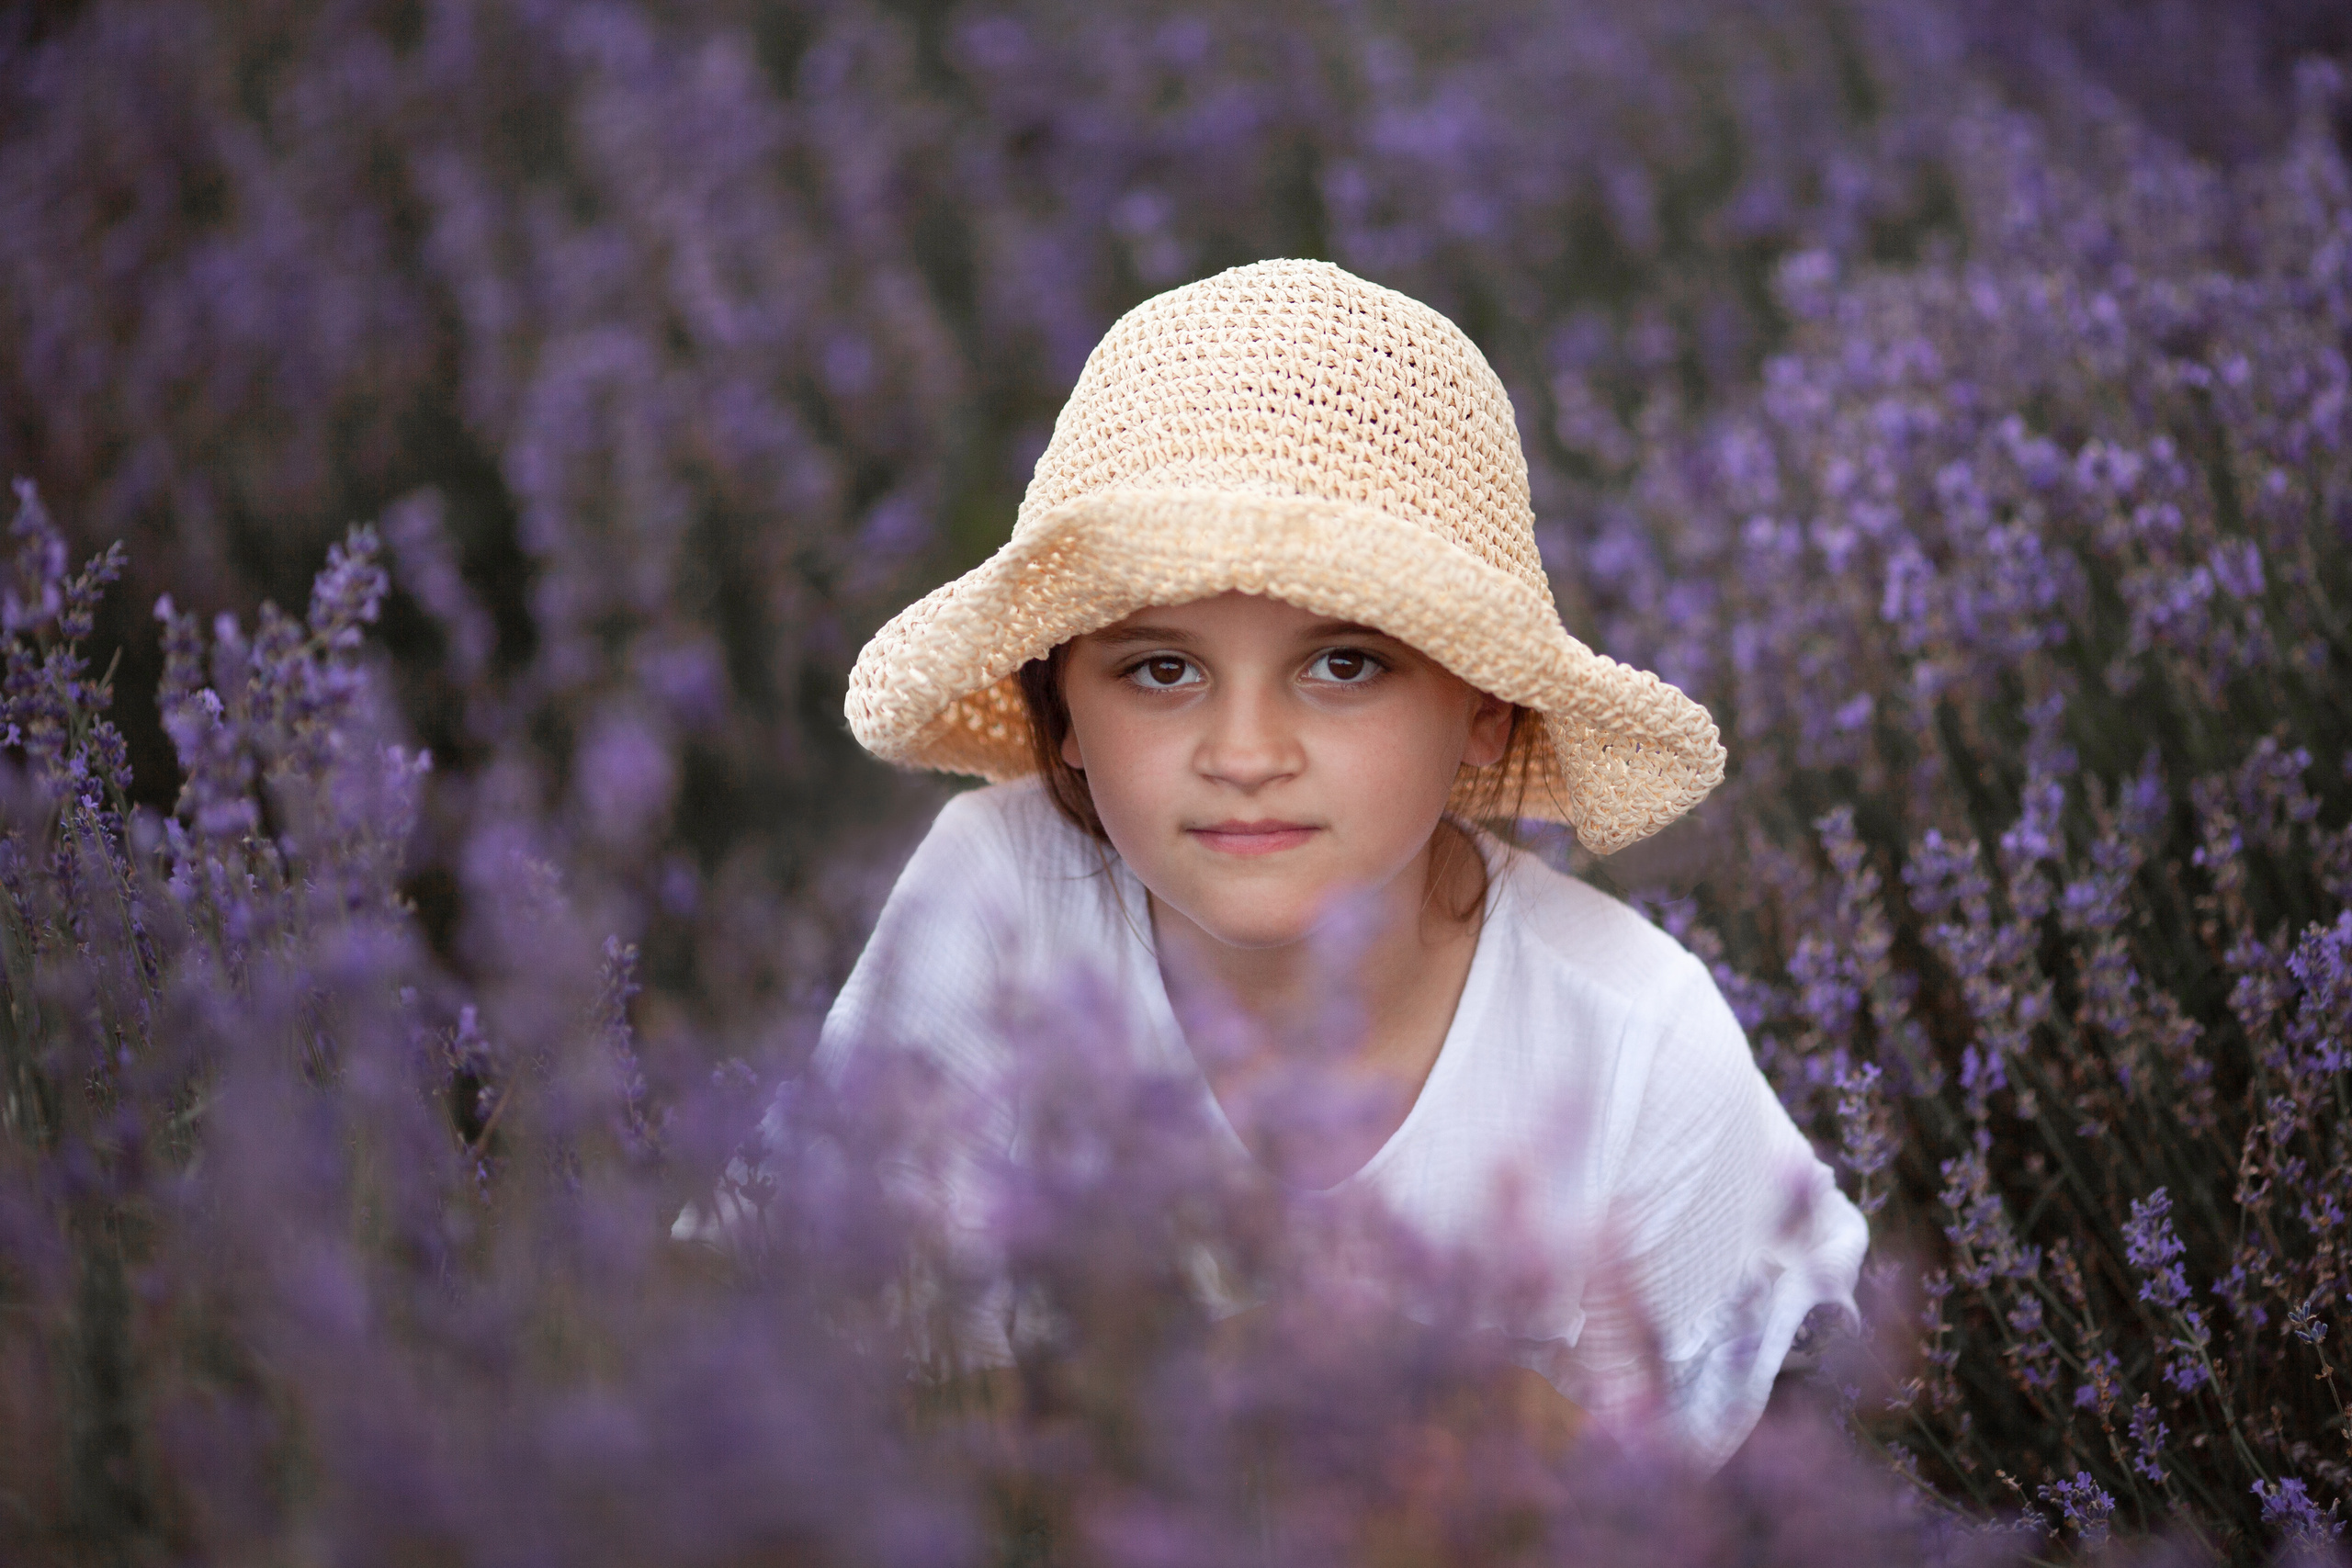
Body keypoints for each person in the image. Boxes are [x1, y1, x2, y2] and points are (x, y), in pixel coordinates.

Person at [796, 258, 1866, 1468]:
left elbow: (1730, 1486)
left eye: (1344, 665)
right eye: (1161, 670)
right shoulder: (1002, 899)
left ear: (1485, 707)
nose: (1246, 755)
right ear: (1064, 714)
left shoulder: (1631, 1035)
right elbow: (811, 1341)